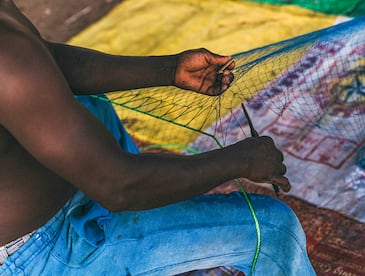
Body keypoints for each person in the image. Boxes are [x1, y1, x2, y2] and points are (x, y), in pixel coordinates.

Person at [0, 0, 315, 275]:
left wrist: (171, 69)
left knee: (93, 106)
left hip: (62, 206)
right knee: (274, 231)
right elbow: (119, 185)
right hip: (39, 253)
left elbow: (45, 59)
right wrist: (241, 160)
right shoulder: (7, 58)